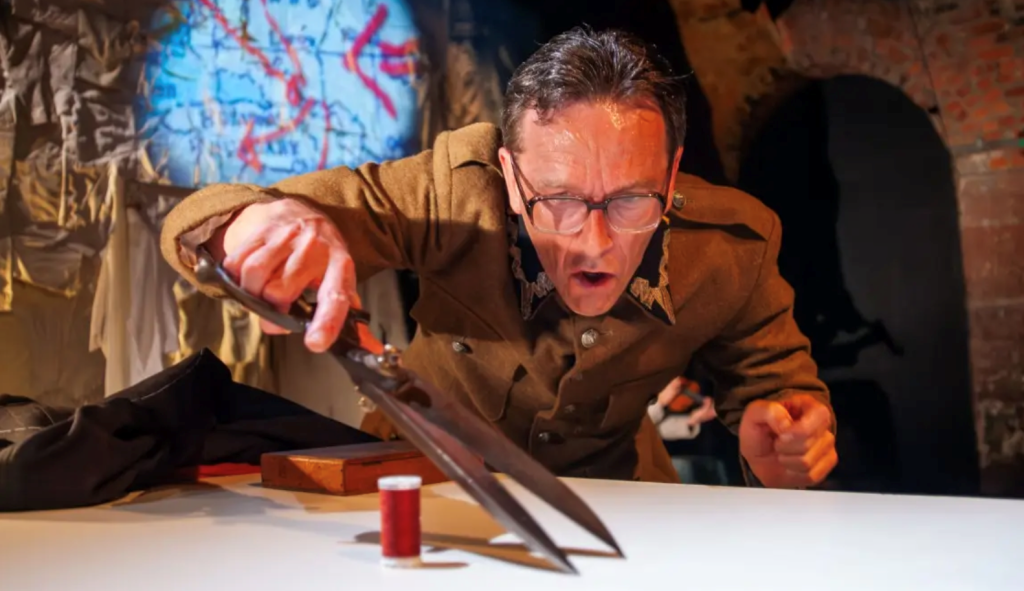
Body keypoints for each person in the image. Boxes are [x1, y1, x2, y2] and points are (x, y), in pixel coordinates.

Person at [159, 26, 837, 488]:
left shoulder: (731, 246)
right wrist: (250, 226)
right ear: (511, 176)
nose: (595, 242)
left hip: (618, 497)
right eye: (559, 200)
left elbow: (779, 387)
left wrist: (788, 438)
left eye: (632, 200)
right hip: (419, 476)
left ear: (672, 172)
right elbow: (209, 218)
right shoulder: (454, 192)